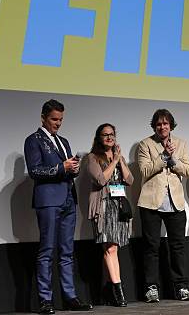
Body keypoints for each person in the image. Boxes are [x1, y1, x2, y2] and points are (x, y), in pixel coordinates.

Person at [24, 99, 93, 314]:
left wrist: (74, 168)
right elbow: (35, 171)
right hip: (48, 201)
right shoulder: (33, 140)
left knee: (67, 251)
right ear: (43, 118)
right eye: (54, 119)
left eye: (61, 119)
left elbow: (69, 170)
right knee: (46, 250)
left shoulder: (63, 141)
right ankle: (45, 300)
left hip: (68, 200)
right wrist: (60, 167)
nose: (58, 123)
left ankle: (70, 297)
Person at [137, 109, 189, 303]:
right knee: (151, 247)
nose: (162, 127)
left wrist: (173, 160)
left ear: (171, 125)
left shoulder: (181, 144)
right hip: (151, 202)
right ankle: (151, 288)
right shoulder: (145, 144)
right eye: (159, 124)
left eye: (166, 124)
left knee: (178, 246)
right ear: (154, 126)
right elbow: (144, 170)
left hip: (175, 202)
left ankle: (181, 287)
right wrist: (162, 157)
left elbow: (188, 171)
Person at [85, 123, 134, 307]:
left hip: (119, 207)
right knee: (110, 248)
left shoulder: (117, 157)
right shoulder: (92, 158)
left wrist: (120, 160)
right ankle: (118, 291)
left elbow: (129, 180)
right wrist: (113, 162)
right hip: (103, 207)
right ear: (99, 138)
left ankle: (108, 288)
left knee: (114, 248)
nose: (109, 138)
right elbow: (100, 179)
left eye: (112, 135)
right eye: (105, 135)